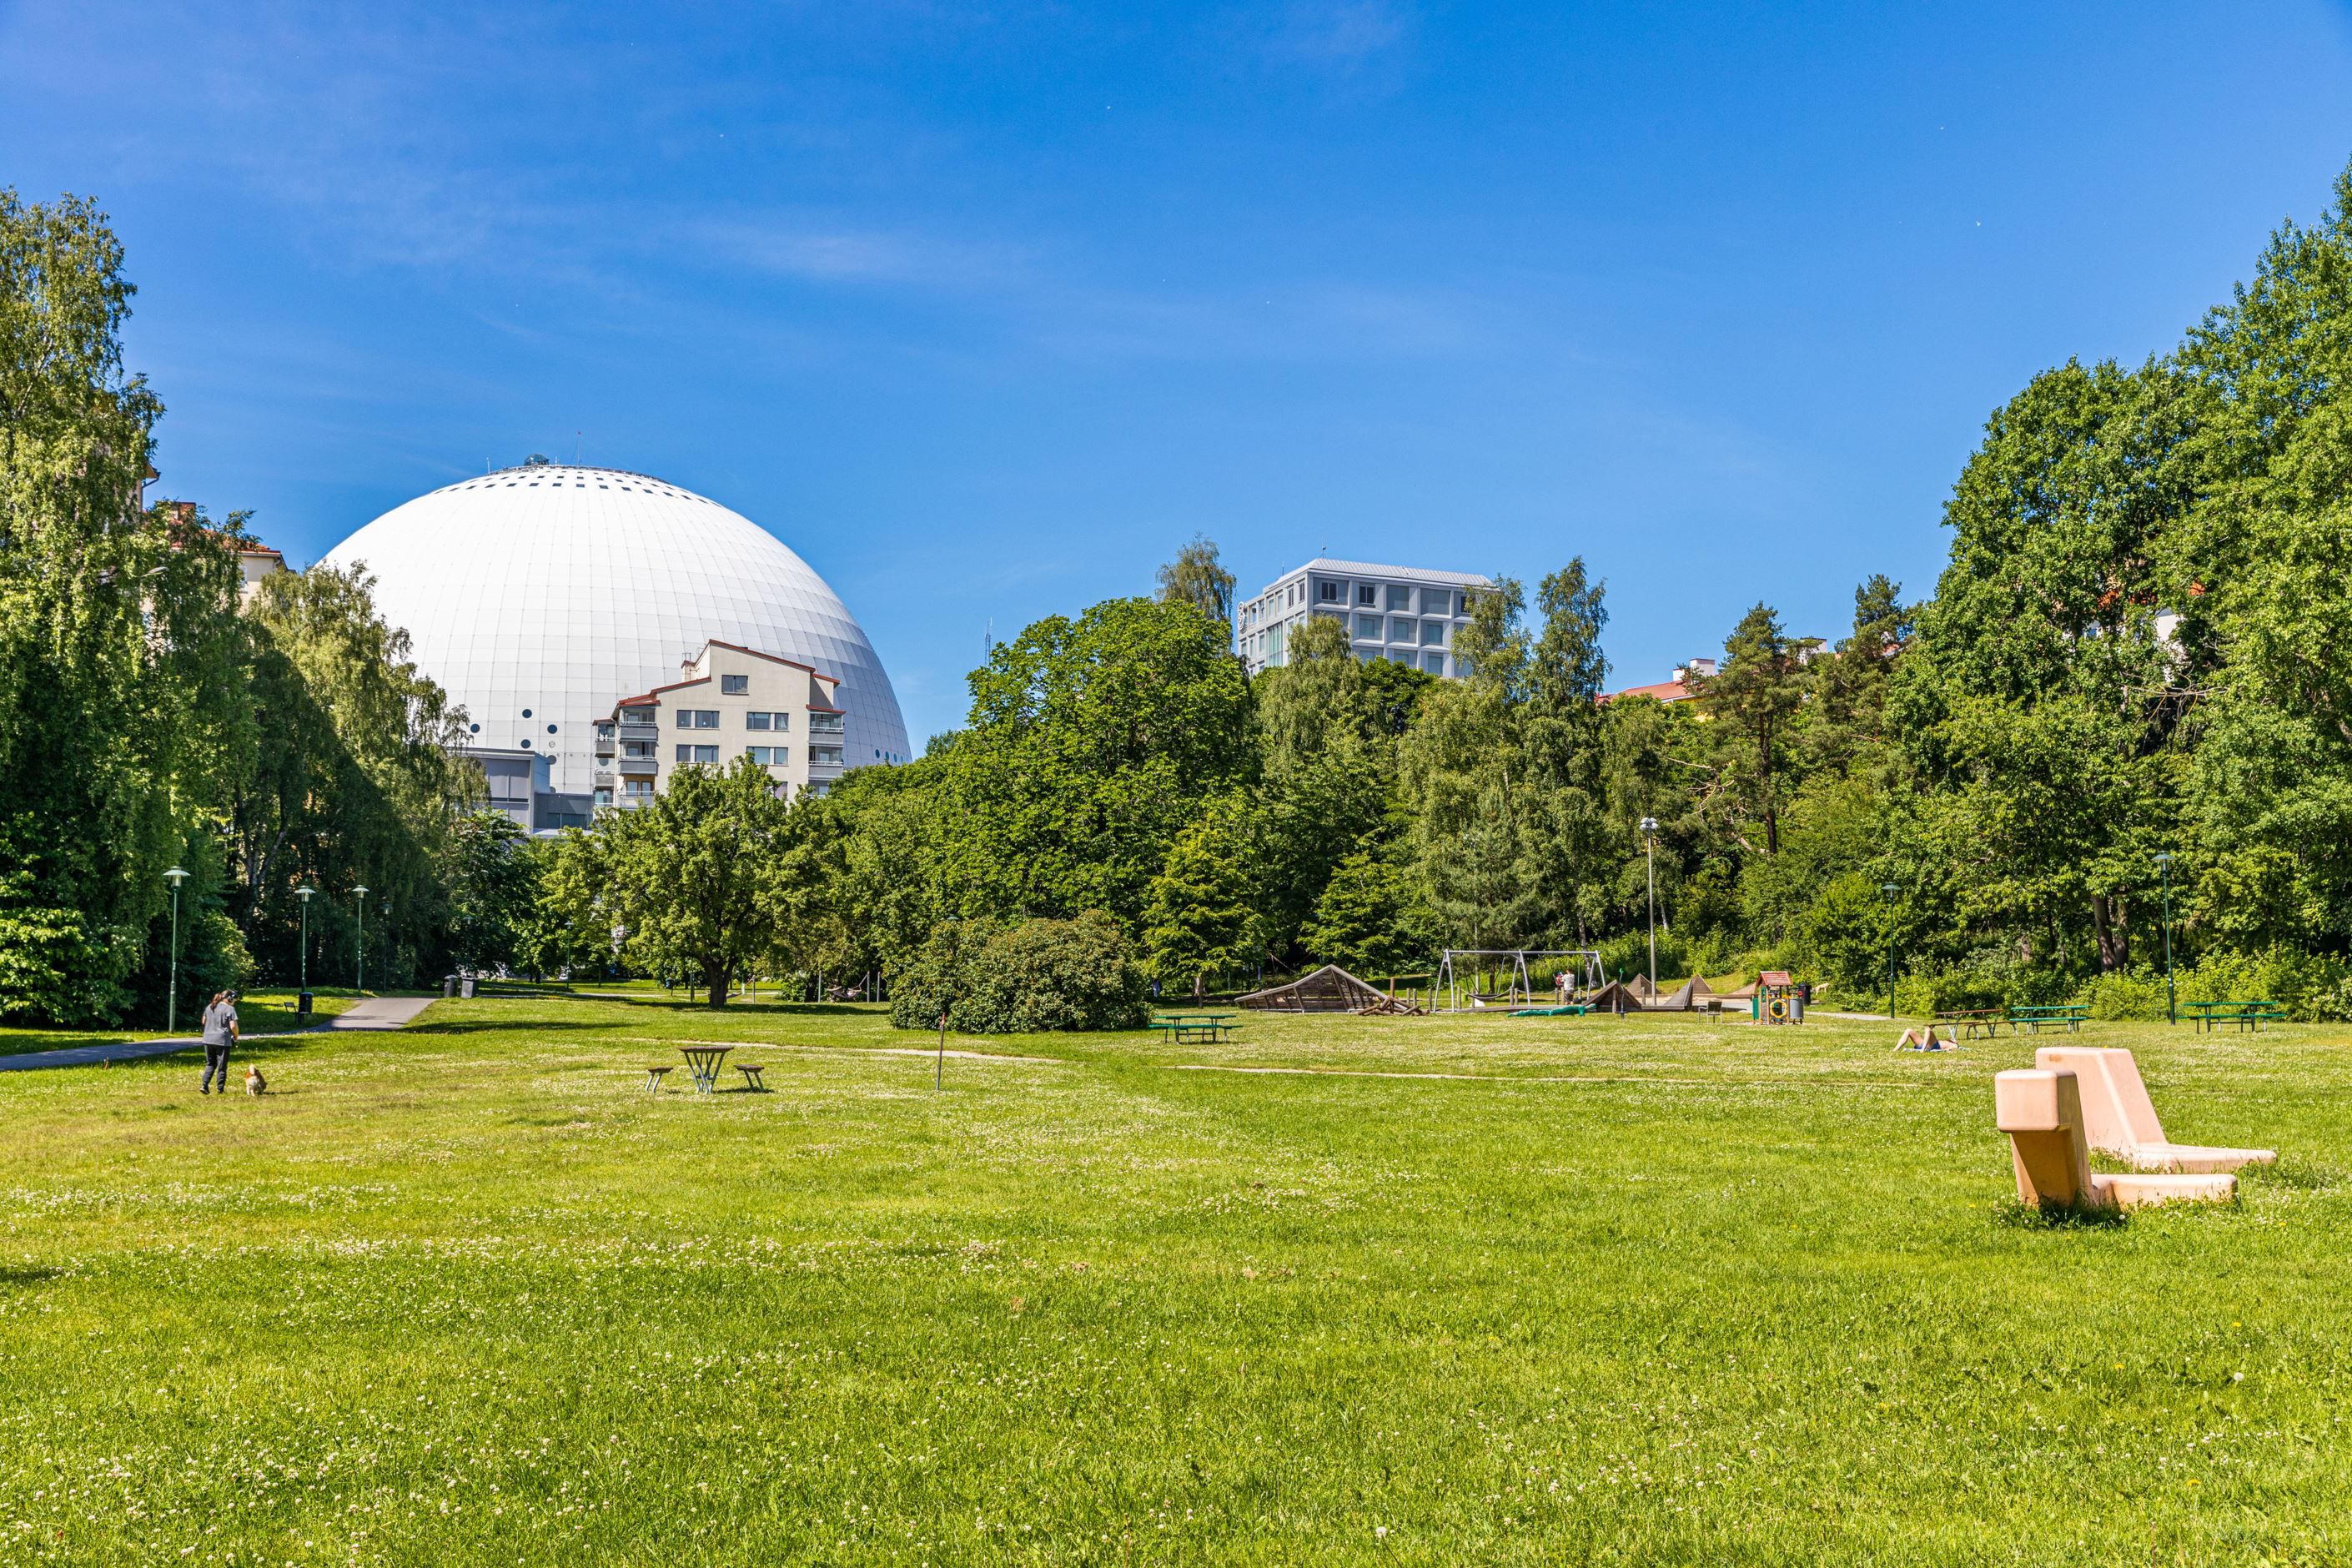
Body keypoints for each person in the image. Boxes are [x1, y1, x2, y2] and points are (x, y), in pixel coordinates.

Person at [199, 989, 239, 1095]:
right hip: (222, 1040)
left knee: (210, 1063)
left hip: (208, 1039)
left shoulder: (210, 1006)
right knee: (222, 1066)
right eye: (234, 1000)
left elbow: (204, 1021)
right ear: (230, 999)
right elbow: (233, 1026)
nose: (234, 1002)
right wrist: (236, 1036)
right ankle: (220, 1089)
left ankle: (204, 1085)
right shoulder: (230, 1009)